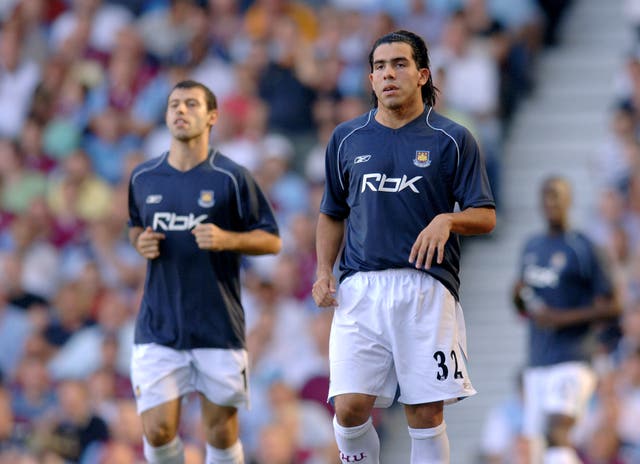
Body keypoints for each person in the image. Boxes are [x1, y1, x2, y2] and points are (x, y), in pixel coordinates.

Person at [312, 30, 496, 464]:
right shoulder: (347, 138)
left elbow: (486, 215)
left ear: (422, 74)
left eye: (399, 64)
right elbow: (331, 211)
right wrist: (323, 271)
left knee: (424, 412)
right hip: (360, 289)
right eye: (379, 66)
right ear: (370, 79)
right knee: (349, 408)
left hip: (427, 289)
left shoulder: (451, 138)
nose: (388, 74)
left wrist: (447, 218)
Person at [127, 80, 281, 464]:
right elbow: (134, 224)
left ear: (212, 116)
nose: (181, 110)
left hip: (217, 325)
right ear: (165, 116)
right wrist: (138, 241)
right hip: (159, 325)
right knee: (157, 431)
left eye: (191, 104)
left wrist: (228, 239)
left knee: (220, 434)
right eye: (174, 104)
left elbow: (271, 240)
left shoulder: (230, 176)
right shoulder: (144, 177)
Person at [512, 176, 621, 464]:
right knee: (534, 447)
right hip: (538, 359)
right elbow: (526, 309)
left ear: (569, 201)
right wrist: (517, 297)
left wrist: (564, 318)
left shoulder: (583, 247)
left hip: (573, 357)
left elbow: (615, 306)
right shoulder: (531, 247)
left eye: (557, 196)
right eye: (547, 196)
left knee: (557, 430)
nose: (552, 203)